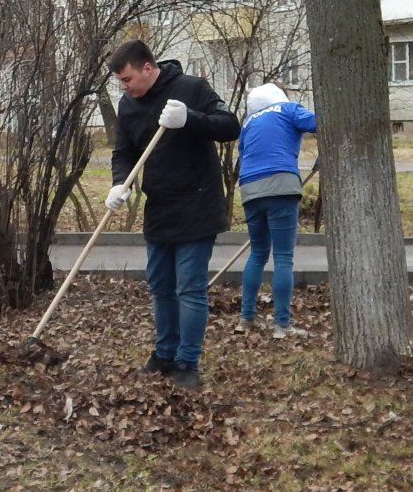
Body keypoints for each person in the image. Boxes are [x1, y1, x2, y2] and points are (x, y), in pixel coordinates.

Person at [105, 40, 239, 389]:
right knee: (161, 286)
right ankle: (164, 355)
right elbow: (124, 152)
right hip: (160, 207)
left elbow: (229, 126)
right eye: (120, 81)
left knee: (189, 288)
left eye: (127, 78)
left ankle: (186, 363)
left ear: (147, 68)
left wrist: (189, 119)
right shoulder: (128, 105)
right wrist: (120, 184)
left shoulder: (191, 89)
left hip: (197, 203)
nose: (124, 86)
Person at [234, 83, 317, 339]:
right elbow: (319, 122)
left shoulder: (248, 123)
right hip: (281, 184)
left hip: (249, 188)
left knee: (257, 254)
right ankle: (282, 325)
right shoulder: (289, 109)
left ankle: (246, 317)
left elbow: (244, 153)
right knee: (283, 258)